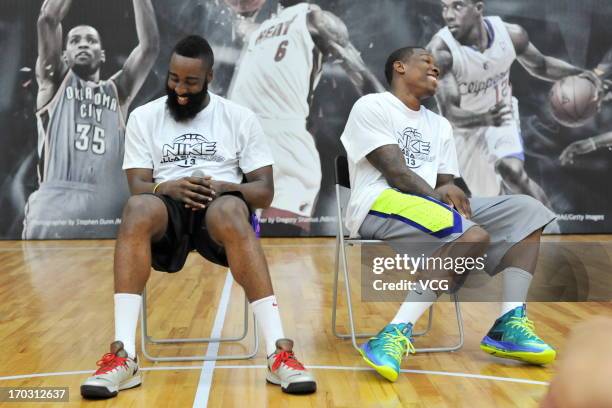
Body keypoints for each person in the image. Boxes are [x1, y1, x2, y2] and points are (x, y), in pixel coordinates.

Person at [80, 35, 316, 399]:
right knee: (137, 208)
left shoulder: (238, 117)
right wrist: (167, 188)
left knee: (233, 210)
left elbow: (264, 191)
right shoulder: (145, 117)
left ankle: (278, 352)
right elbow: (137, 185)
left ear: (210, 78)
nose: (180, 89)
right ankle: (123, 356)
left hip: (219, 210)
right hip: (166, 209)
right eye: (174, 78)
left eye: (190, 81)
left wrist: (223, 187)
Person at [340, 46, 556, 382]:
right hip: (379, 203)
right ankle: (394, 333)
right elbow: (396, 174)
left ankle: (509, 324)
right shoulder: (372, 105)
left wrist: (452, 196)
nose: (435, 67)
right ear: (399, 67)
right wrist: (444, 203)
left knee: (529, 210)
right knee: (473, 236)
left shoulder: (439, 124)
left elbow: (446, 184)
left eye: (437, 65)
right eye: (425, 60)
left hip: (425, 206)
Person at [226, 0, 384, 232]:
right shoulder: (258, 30)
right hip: (242, 143)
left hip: (285, 145)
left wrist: (391, 117)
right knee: (235, 249)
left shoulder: (316, 19)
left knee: (281, 248)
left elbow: (360, 73)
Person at [426, 0, 587, 206]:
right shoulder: (441, 52)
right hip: (464, 131)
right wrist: (485, 118)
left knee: (513, 172)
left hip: (502, 114)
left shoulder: (511, 35)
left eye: (457, 6)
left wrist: (583, 74)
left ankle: (550, 228)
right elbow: (450, 113)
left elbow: (542, 66)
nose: (448, 14)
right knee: (490, 197)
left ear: (478, 8)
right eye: (444, 7)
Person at [23, 0, 159, 239]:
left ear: (103, 54)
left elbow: (149, 47)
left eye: (91, 40)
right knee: (43, 277)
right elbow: (47, 19)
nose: (83, 43)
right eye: (75, 40)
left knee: (105, 277)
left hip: (105, 204)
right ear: (64, 54)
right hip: (55, 203)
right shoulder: (53, 82)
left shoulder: (119, 91)